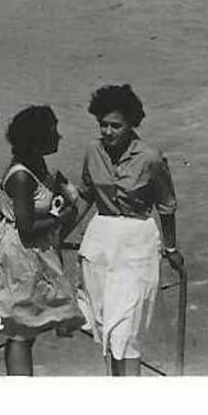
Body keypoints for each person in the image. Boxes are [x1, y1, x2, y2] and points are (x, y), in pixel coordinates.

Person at [75, 84, 179, 376]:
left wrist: (170, 248)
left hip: (137, 244)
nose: (108, 132)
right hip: (99, 243)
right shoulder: (93, 151)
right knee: (106, 328)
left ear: (131, 124)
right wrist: (58, 235)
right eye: (103, 125)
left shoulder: (151, 157)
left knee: (126, 332)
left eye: (115, 126)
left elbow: (167, 206)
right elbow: (86, 196)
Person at [0, 105, 84, 375]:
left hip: (33, 255)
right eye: (53, 131)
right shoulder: (22, 176)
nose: (59, 137)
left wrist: (64, 202)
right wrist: (61, 214)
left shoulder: (37, 166)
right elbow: (26, 228)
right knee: (21, 332)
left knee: (25, 329)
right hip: (20, 256)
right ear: (37, 140)